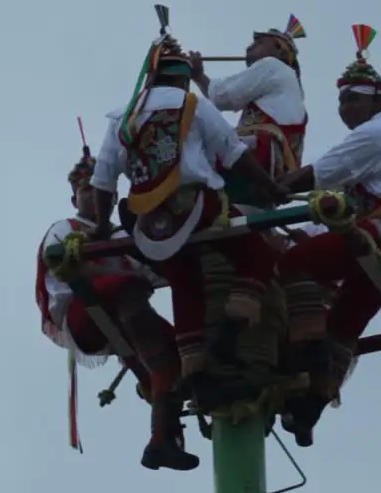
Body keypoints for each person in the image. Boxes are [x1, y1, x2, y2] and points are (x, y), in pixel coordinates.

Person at [87, 33, 290, 403]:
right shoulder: (191, 104)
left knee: (185, 283)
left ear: (150, 76)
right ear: (181, 76)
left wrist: (101, 227)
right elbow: (232, 154)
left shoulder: (123, 116)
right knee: (257, 256)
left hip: (146, 223)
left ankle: (195, 372)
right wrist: (270, 187)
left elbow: (103, 179)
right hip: (196, 209)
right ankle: (231, 328)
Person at [274, 25, 381, 447]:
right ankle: (309, 409)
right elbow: (338, 199)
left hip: (376, 240)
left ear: (376, 99)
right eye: (341, 99)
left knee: (294, 265)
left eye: (352, 98)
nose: (344, 108)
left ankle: (305, 355)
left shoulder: (377, 132)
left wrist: (266, 188)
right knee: (341, 328)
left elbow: (318, 176)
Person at [36, 153, 198, 471]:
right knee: (127, 288)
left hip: (124, 315)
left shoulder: (125, 233)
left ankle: (164, 439)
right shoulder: (64, 228)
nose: (94, 200)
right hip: (84, 315)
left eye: (100, 193)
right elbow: (63, 263)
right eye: (86, 192)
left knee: (182, 350)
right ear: (74, 199)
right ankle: (158, 383)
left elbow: (156, 269)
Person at [187, 15, 309, 186]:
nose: (251, 44)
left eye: (260, 42)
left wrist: (198, 75)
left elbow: (223, 97)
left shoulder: (272, 65)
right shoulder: (291, 85)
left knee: (193, 139)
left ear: (280, 50)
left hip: (260, 155)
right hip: (277, 169)